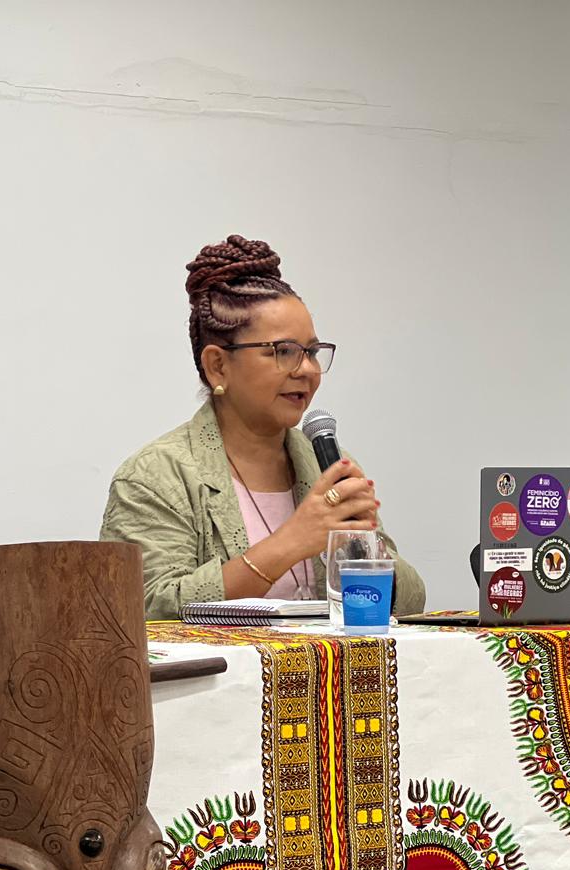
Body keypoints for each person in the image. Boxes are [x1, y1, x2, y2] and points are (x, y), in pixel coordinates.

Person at [100, 234, 425, 619]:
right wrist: (290, 542)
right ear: (218, 365)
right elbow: (146, 609)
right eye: (283, 351)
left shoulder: (327, 466)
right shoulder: (155, 476)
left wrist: (364, 545)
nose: (307, 370)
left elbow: (410, 603)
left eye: (312, 352)